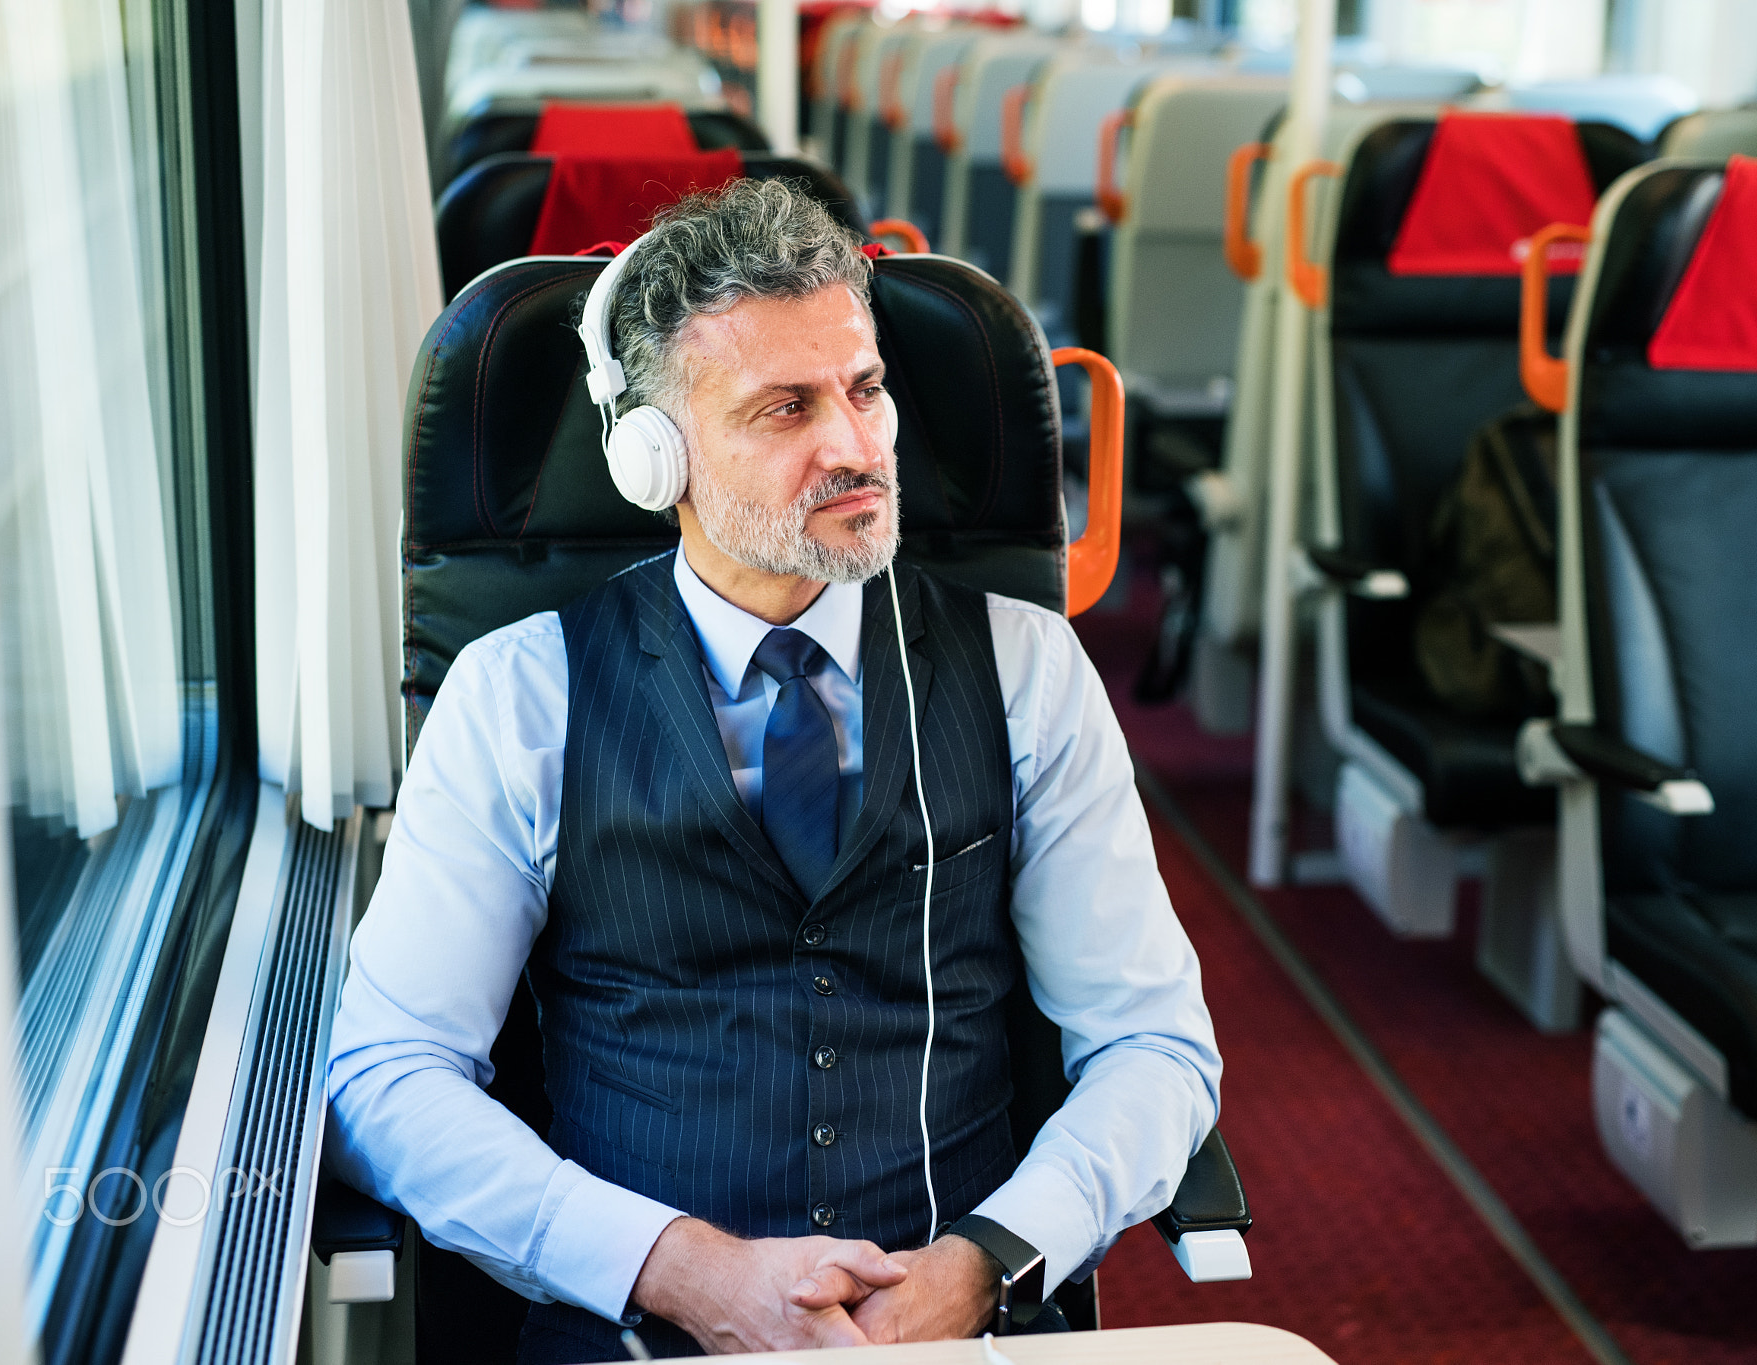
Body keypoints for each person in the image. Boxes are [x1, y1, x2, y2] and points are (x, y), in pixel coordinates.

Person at [326, 179, 1221, 1362]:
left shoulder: (1026, 671)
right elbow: (388, 1075)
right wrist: (682, 1271)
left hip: (958, 1328)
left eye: (864, 390)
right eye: (783, 409)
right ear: (655, 458)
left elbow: (1150, 1045)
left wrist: (982, 1263)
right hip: (640, 1332)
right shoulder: (518, 696)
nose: (854, 448)